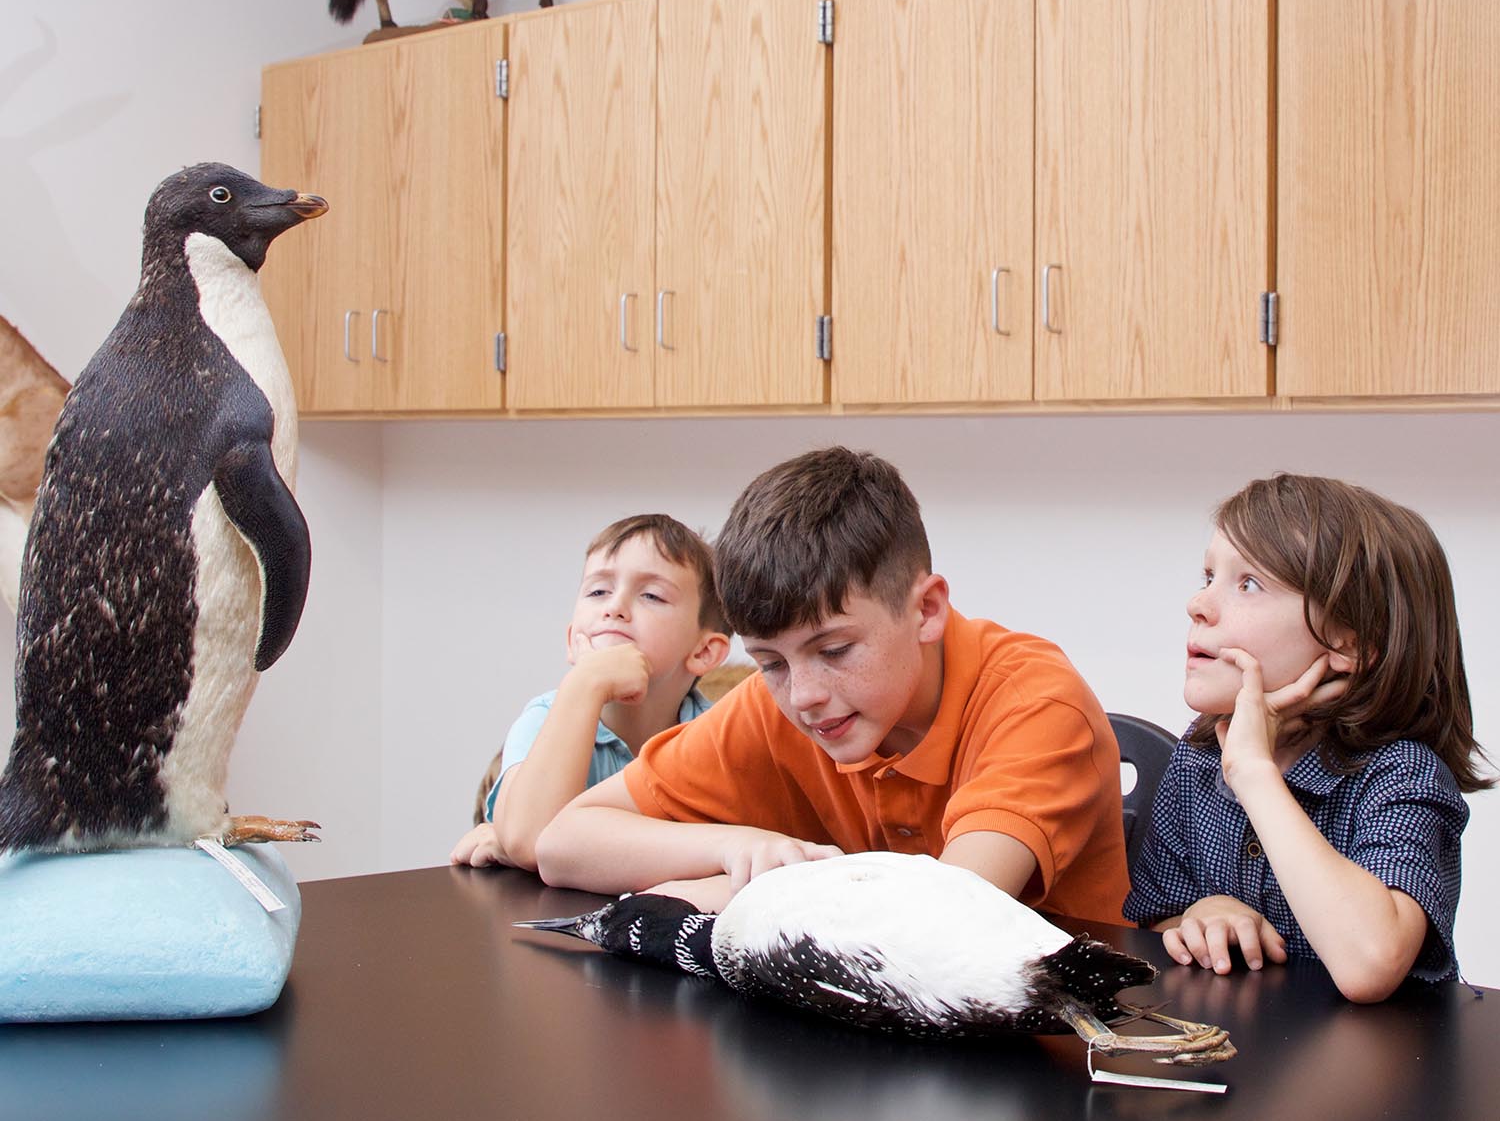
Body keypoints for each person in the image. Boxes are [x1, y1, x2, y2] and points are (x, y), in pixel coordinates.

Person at [535, 446, 1131, 919]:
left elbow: (945, 917)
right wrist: (733, 849)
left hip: (1058, 1050)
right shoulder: (787, 702)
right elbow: (564, 843)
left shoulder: (1035, 702)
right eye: (770, 662)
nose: (803, 695)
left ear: (925, 610)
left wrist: (728, 892)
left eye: (836, 649)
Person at [1125, 472, 1492, 1003]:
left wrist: (1256, 775)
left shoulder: (1402, 774)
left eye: (1247, 583)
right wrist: (1200, 916)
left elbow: (1369, 964)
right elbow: (1157, 920)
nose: (1198, 604)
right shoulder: (1201, 753)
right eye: (1208, 576)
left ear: (1349, 643)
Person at [450, 514, 730, 872]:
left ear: (704, 651)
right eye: (598, 591)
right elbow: (531, 841)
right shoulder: (544, 718)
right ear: (572, 640)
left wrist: (517, 840)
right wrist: (585, 684)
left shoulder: (716, 736)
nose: (614, 608)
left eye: (651, 595)